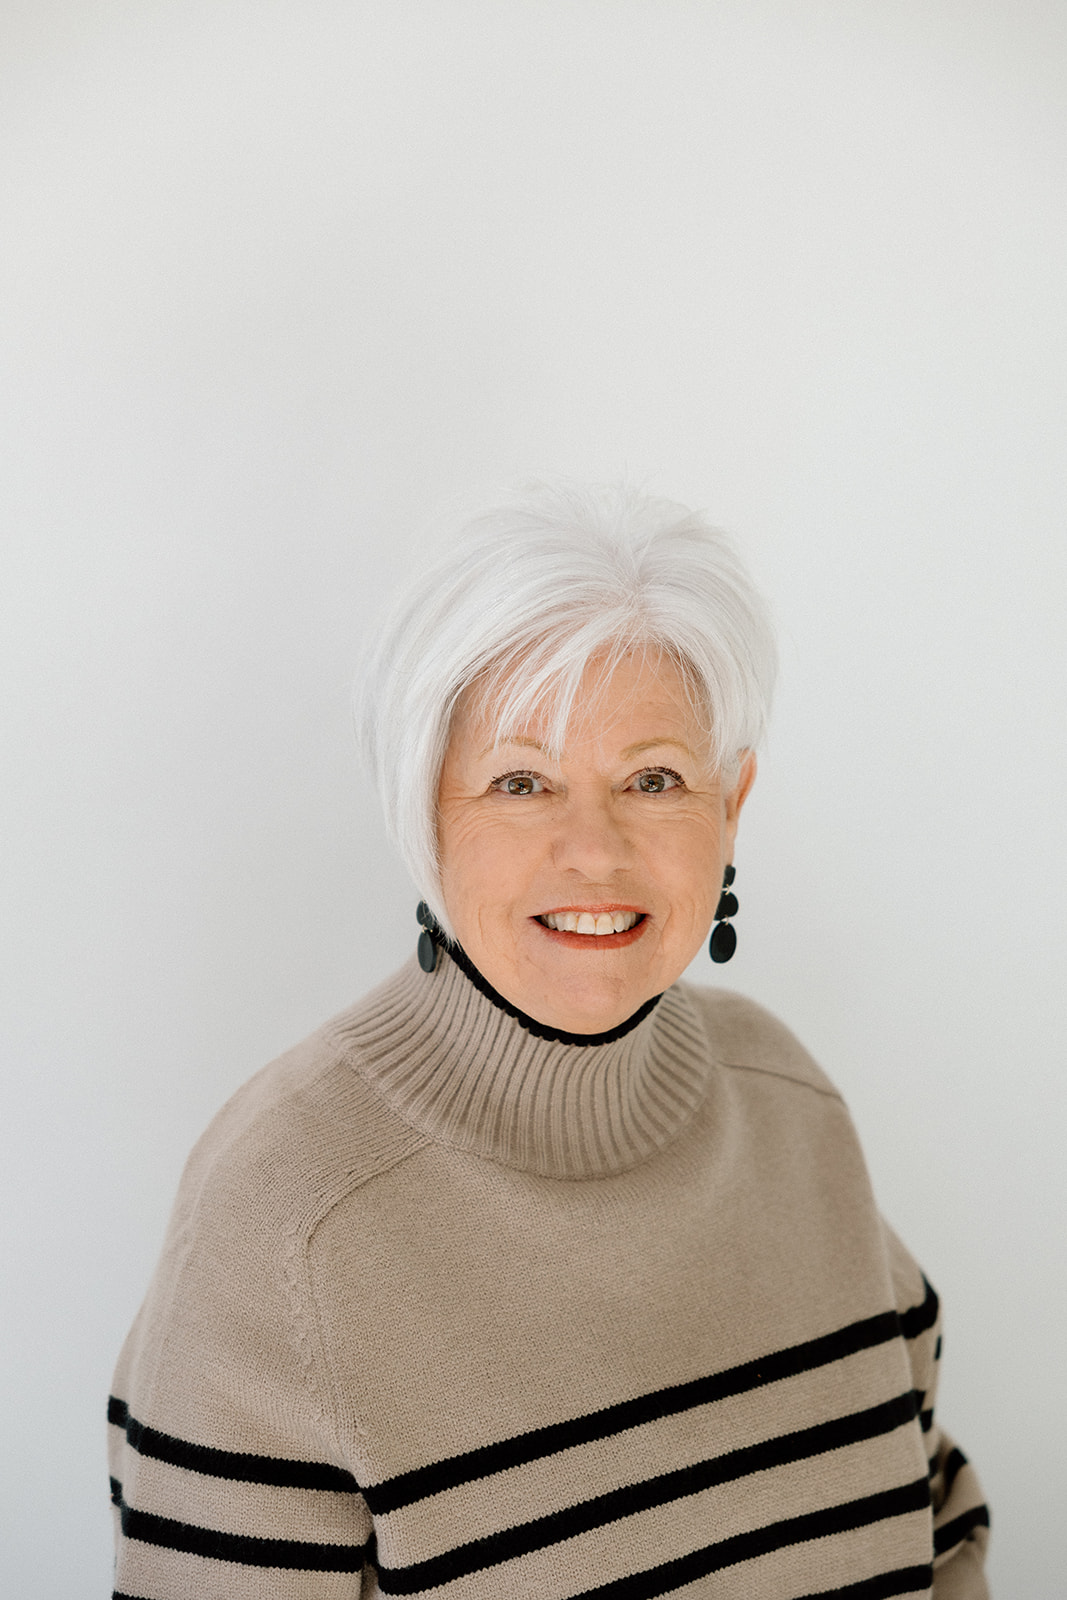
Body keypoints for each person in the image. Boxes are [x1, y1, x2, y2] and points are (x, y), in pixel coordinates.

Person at [108, 482, 990, 1598]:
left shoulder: (787, 1103)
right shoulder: (286, 1213)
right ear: (421, 813)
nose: (593, 848)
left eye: (653, 779)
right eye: (519, 782)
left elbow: (936, 1524)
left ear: (731, 806)